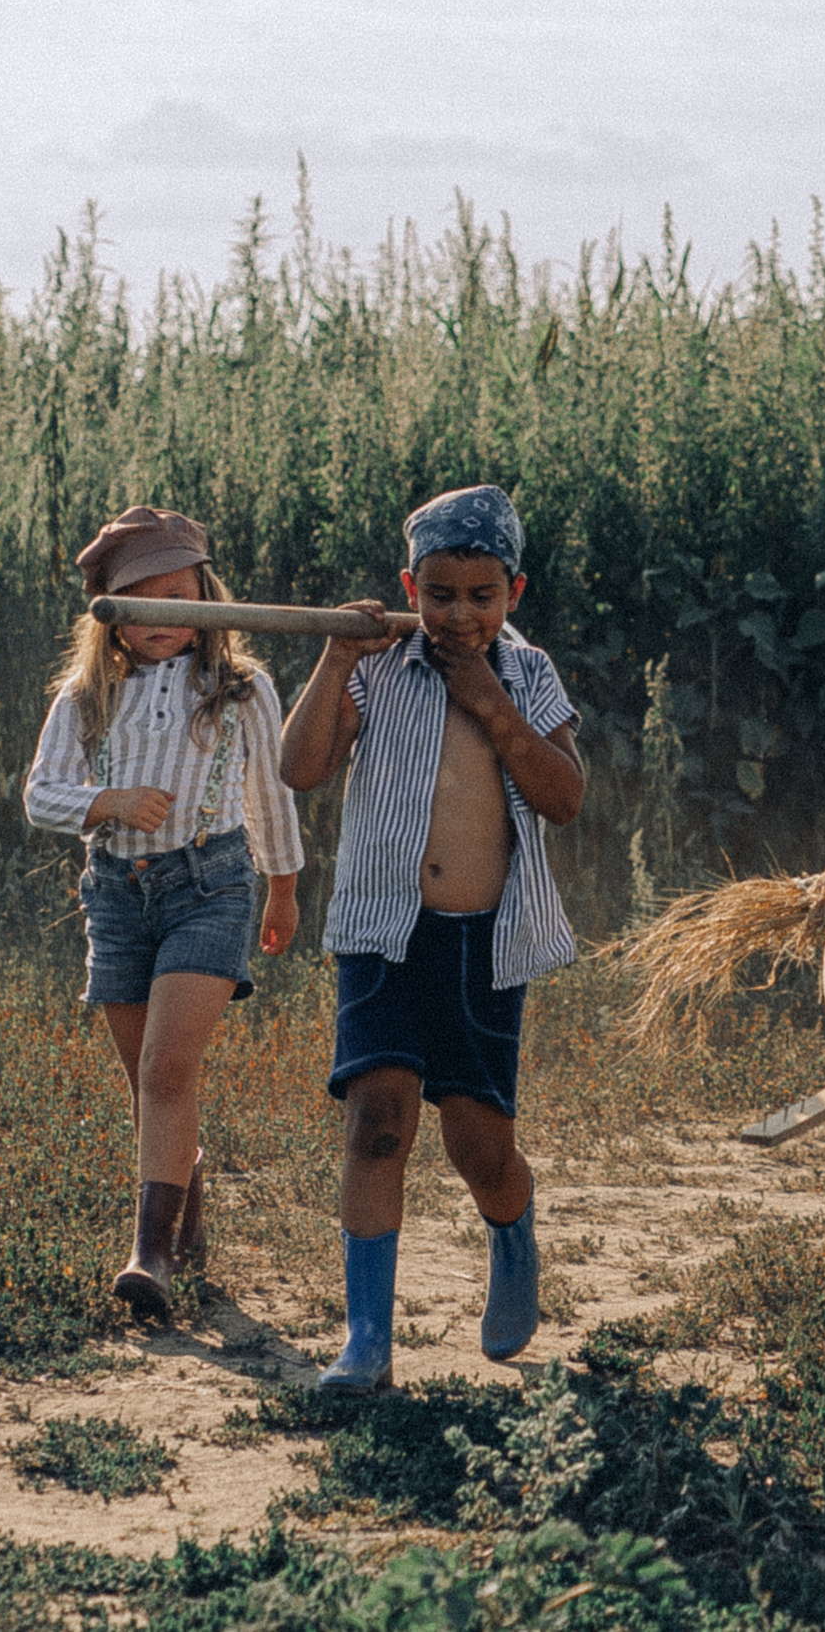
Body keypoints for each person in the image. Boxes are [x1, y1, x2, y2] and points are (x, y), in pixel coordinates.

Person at [280, 484, 585, 1392]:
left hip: (486, 947)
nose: (458, 615)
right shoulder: (377, 666)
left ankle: (513, 1223)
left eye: (480, 597)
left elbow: (564, 798)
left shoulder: (528, 675)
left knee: (477, 1146)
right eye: (439, 595)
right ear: (409, 586)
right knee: (379, 1124)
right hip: (387, 933)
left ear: (513, 594)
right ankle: (367, 1341)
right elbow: (301, 769)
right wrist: (335, 661)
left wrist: (494, 706)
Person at [25, 506, 304, 1322]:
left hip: (209, 886)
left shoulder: (239, 687)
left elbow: (272, 796)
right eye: (139, 600)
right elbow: (40, 794)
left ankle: (148, 1255)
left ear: (209, 600)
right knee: (146, 1085)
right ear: (110, 614)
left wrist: (282, 888)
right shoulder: (86, 697)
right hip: (116, 897)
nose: (161, 616)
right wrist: (103, 800)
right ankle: (186, 1220)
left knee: (165, 1070)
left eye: (179, 596)